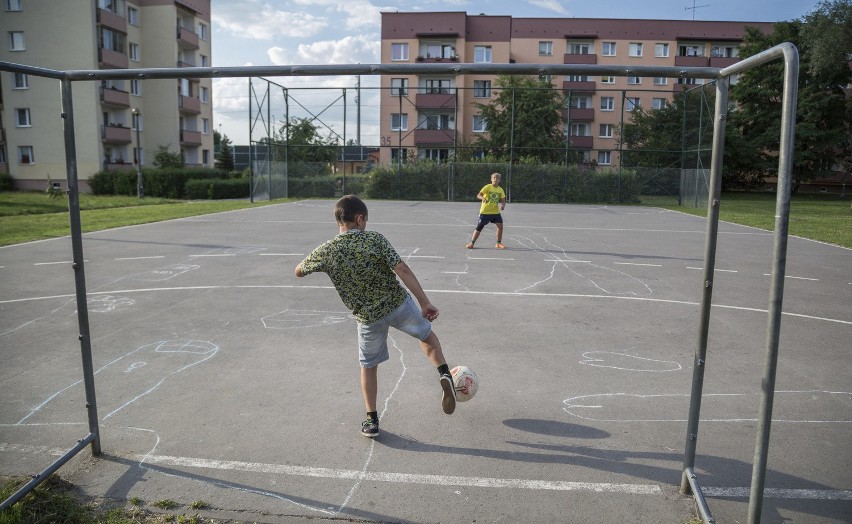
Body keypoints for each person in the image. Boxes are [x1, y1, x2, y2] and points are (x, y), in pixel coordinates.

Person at [295, 195, 456, 438]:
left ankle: (371, 420)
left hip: (367, 317)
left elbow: (298, 271)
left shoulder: (327, 250)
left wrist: (321, 262)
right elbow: (401, 269)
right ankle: (444, 372)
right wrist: (424, 302)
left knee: (369, 366)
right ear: (359, 219)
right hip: (397, 305)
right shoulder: (374, 239)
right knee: (426, 335)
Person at [466, 172, 506, 249]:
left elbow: (503, 200)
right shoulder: (487, 187)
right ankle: (472, 243)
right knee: (479, 227)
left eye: (497, 178)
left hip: (495, 212)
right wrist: (483, 198)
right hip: (485, 212)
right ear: (491, 179)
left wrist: (503, 205)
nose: (495, 179)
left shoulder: (500, 190)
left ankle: (498, 243)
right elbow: (478, 195)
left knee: (500, 226)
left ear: (499, 180)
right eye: (494, 177)